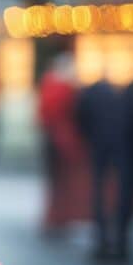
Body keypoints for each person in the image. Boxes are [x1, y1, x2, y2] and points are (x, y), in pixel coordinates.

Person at [75, 71, 133, 262]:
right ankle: (117, 243)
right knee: (119, 196)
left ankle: (106, 243)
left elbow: (81, 119)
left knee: (104, 194)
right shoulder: (129, 91)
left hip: (106, 147)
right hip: (125, 150)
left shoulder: (96, 92)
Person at [38, 53, 90, 235]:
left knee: (56, 184)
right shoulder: (61, 87)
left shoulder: (50, 85)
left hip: (54, 140)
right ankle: (58, 218)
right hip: (61, 141)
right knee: (60, 183)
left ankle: (57, 218)